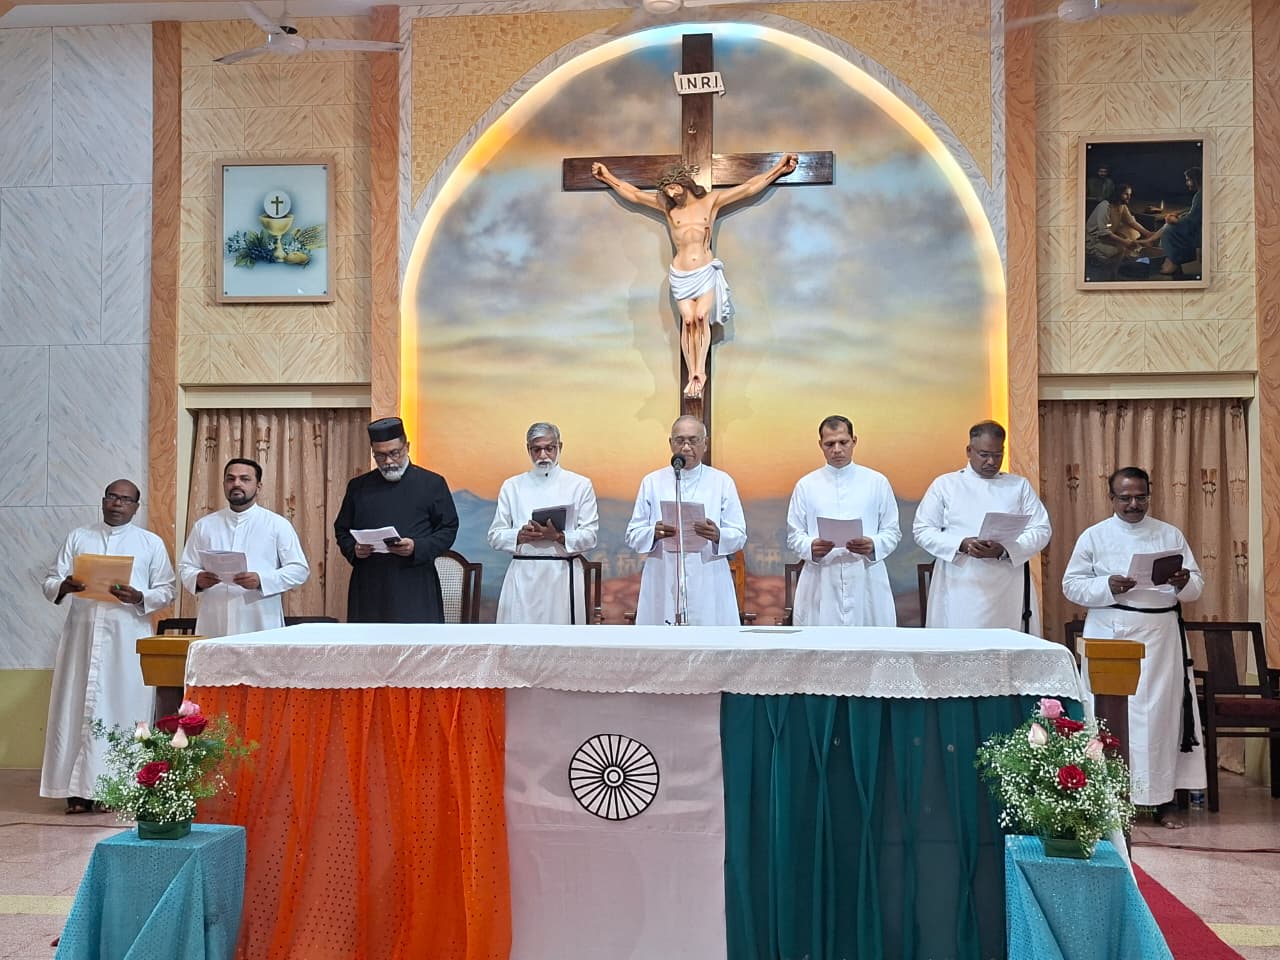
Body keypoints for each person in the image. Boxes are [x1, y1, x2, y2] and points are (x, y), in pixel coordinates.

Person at [1062, 466, 1206, 829]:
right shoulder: (1094, 536)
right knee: (1108, 718)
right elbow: (1071, 585)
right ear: (1111, 498)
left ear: (1149, 495)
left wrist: (1182, 581)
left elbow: (1196, 585)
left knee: (1160, 717)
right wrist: (1107, 586)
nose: (1133, 504)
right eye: (1125, 498)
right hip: (1110, 631)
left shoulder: (1168, 534)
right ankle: (1107, 800)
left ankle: (1160, 801)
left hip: (1160, 634)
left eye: (1141, 497)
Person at [591, 154, 798, 400]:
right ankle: (693, 374)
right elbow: (634, 194)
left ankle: (701, 371)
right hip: (681, 273)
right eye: (667, 191)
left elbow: (748, 188)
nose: (671, 194)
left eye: (674, 188)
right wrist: (607, 177)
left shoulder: (710, 202)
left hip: (704, 270)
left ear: (684, 182)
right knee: (688, 321)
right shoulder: (668, 209)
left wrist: (778, 169)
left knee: (701, 317)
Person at [41, 479, 176, 814]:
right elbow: (50, 580)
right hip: (82, 636)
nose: (117, 503)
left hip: (126, 637)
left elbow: (167, 590)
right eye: (112, 497)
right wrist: (65, 586)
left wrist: (140, 596)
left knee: (122, 707)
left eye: (125, 499)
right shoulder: (79, 537)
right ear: (103, 501)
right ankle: (76, 791)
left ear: (136, 507)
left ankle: (114, 789)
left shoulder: (150, 543)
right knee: (75, 707)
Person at [913, 420, 1052, 632]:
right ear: (969, 451)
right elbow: (922, 529)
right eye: (984, 454)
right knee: (961, 639)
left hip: (1007, 582)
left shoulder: (1018, 486)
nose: (991, 462)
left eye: (998, 455)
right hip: (960, 581)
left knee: (1006, 643)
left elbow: (1041, 529)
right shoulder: (946, 484)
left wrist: (1005, 549)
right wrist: (962, 544)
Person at [624, 415, 747, 625]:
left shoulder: (721, 481)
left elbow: (739, 535)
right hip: (663, 574)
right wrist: (653, 533)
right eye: (680, 440)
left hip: (708, 576)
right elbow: (633, 535)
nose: (686, 447)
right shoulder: (652, 482)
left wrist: (718, 535)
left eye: (693, 440)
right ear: (670, 443)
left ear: (705, 444)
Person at [334, 417, 459, 623]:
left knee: (416, 641)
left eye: (394, 453)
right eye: (380, 456)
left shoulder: (432, 483)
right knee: (368, 642)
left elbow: (448, 529)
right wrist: (354, 549)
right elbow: (342, 529)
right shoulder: (358, 487)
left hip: (415, 583)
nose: (388, 461)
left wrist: (417, 547)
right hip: (369, 586)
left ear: (406, 447)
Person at [785, 415, 900, 626]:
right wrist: (811, 546)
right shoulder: (806, 485)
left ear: (854, 441)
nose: (837, 450)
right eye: (829, 444)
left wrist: (873, 544)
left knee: (869, 640)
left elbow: (892, 531)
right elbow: (794, 535)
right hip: (821, 578)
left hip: (866, 575)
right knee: (821, 642)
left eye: (843, 442)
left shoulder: (877, 482)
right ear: (820, 445)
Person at [178, 458, 310, 636]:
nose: (236, 484)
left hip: (260, 618)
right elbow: (186, 567)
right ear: (223, 484)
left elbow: (299, 569)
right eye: (230, 479)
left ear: (258, 486)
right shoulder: (204, 526)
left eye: (245, 479)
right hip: (215, 617)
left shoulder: (277, 524)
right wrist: (198, 579)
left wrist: (261, 580)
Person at [487, 422, 600, 624]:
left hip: (562, 575)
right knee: (520, 639)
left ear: (560, 447)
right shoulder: (512, 486)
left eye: (549, 448)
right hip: (524, 574)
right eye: (536, 449)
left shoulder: (580, 485)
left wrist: (558, 536)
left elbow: (590, 536)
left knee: (561, 639)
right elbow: (495, 536)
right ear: (528, 449)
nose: (543, 455)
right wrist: (518, 535)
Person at [1158, 166, 1202, 277]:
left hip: (1198, 232)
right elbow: (1193, 212)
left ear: (1195, 180)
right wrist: (1179, 215)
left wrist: (1176, 221)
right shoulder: (1200, 194)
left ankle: (1174, 261)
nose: (1187, 183)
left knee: (1168, 230)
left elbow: (1193, 220)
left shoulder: (1200, 195)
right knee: (1169, 225)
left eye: (1188, 180)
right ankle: (1168, 257)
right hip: (1197, 226)